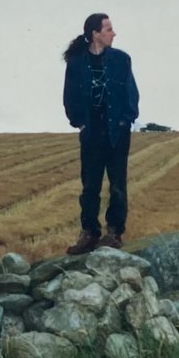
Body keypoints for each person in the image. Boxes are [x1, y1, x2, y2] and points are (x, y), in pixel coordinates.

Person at [62, 13, 139, 254]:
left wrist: (126, 120)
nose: (113, 33)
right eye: (108, 29)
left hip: (116, 132)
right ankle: (89, 234)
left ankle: (114, 232)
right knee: (90, 186)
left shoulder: (122, 60)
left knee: (117, 184)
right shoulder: (75, 64)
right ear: (95, 33)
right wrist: (80, 123)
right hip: (91, 133)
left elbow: (131, 93)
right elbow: (69, 96)